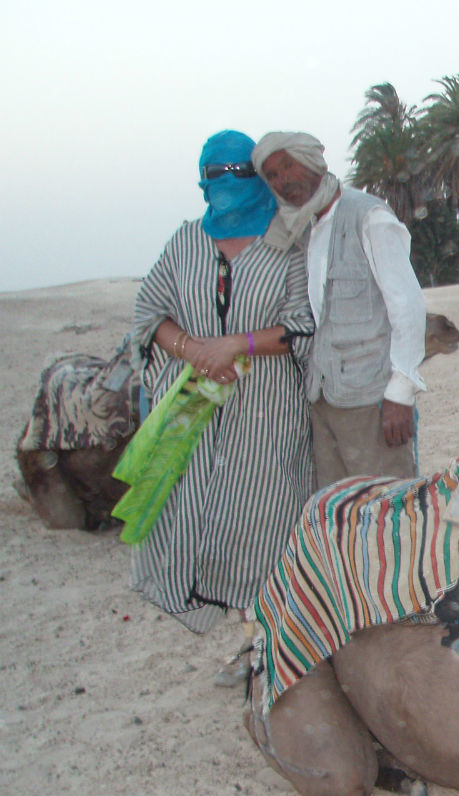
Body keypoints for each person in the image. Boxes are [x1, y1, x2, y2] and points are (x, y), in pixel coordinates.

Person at [130, 130, 315, 639]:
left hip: (266, 403)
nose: (228, 182)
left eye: (240, 172)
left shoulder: (289, 239)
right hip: (191, 399)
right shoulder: (187, 239)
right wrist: (195, 351)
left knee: (264, 504)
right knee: (189, 498)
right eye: (216, 174)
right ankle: (197, 590)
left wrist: (236, 345)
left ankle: (265, 622)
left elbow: (303, 324)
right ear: (202, 180)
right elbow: (150, 314)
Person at [251, 131, 427, 489]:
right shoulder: (304, 227)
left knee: (387, 509)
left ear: (314, 161)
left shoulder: (369, 216)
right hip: (324, 400)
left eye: (288, 165)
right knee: (339, 513)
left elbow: (407, 306)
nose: (283, 180)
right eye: (272, 176)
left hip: (373, 402)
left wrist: (400, 393)